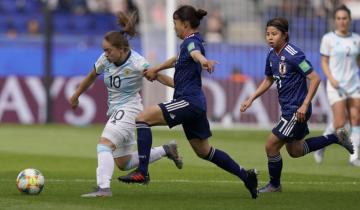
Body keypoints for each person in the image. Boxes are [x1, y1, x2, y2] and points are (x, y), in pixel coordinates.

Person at [118, 5, 259, 199]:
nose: (174, 28)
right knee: (204, 151)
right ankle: (246, 175)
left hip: (189, 102)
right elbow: (177, 68)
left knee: (142, 119)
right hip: (193, 103)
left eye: (175, 24)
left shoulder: (192, 43)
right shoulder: (187, 44)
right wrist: (156, 72)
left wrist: (203, 61)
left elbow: (195, 53)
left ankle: (142, 171)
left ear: (185, 24)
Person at [69, 11, 183, 197]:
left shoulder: (137, 62)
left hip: (129, 109)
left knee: (104, 145)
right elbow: (92, 76)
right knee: (123, 163)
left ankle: (103, 189)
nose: (105, 54)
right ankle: (166, 150)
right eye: (104, 50)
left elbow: (157, 76)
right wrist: (76, 94)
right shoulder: (105, 60)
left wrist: (181, 87)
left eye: (109, 50)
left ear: (122, 49)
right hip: (116, 110)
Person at [240, 17, 354, 193]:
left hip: (296, 109)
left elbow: (315, 79)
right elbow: (269, 79)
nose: (270, 37)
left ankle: (275, 185)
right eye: (267, 34)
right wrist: (251, 98)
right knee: (295, 151)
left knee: (271, 145)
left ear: (285, 35)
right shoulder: (271, 55)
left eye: (274, 34)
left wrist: (305, 104)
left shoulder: (293, 54)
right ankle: (336, 138)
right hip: (288, 108)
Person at [313, 4, 360, 166]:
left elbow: (358, 62)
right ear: (335, 20)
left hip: (353, 84)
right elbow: (324, 61)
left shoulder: (357, 39)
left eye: (344, 18)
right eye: (339, 18)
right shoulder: (328, 38)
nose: (342, 21)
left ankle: (354, 157)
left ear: (349, 20)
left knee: (356, 118)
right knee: (340, 123)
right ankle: (322, 144)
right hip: (335, 85)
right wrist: (331, 79)